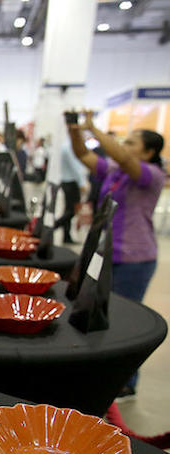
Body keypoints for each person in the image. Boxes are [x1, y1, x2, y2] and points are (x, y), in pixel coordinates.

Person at [67, 112, 165, 399]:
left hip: (134, 259)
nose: (124, 144)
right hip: (104, 254)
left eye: (132, 142)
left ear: (149, 152)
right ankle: (102, 372)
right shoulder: (114, 172)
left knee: (123, 320)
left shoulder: (151, 176)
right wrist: (75, 130)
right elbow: (82, 153)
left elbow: (124, 157)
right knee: (96, 314)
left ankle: (126, 381)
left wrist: (93, 128)